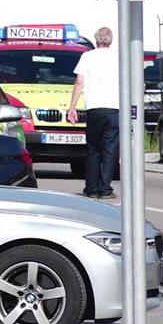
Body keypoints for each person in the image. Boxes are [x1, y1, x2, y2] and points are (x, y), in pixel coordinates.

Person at [67, 27, 119, 199]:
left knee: (93, 149)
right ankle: (105, 188)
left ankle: (91, 188)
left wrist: (72, 107)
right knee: (110, 149)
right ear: (110, 40)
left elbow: (79, 82)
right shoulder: (119, 56)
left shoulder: (87, 56)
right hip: (114, 108)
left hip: (94, 108)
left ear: (96, 40)